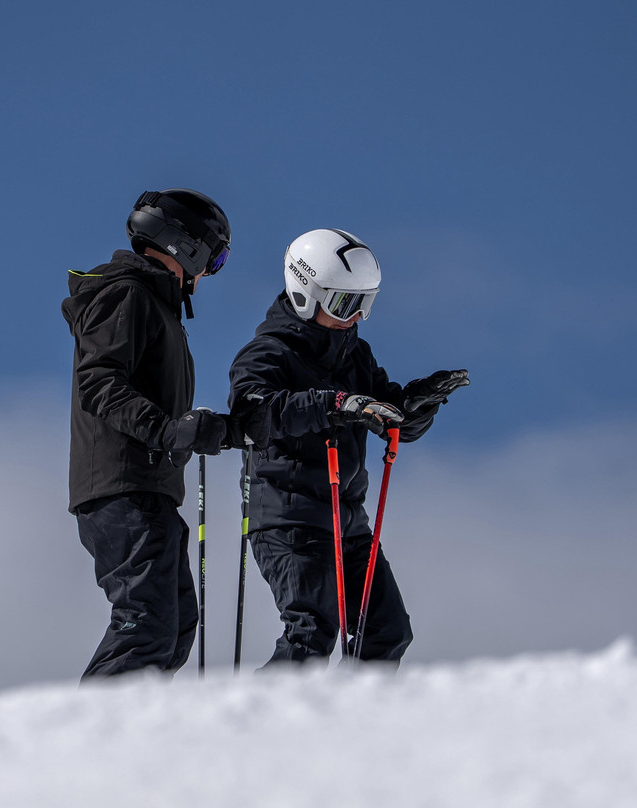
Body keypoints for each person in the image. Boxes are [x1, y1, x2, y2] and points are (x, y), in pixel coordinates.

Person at [228, 228, 469, 666]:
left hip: (346, 520)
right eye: (344, 303)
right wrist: (331, 405)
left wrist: (415, 404)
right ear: (306, 293)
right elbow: (253, 414)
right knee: (311, 633)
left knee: (386, 631)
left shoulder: (353, 354)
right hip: (289, 517)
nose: (355, 316)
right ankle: (255, 726)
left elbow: (386, 416)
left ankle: (351, 728)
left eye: (365, 304)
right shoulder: (268, 353)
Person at [61, 188, 232, 679]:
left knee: (175, 624)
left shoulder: (156, 306)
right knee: (147, 623)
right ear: (187, 246)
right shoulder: (127, 293)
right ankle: (86, 743)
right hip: (123, 487)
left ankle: (132, 738)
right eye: (214, 258)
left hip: (149, 489)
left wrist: (217, 430)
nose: (209, 272)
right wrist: (167, 430)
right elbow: (99, 382)